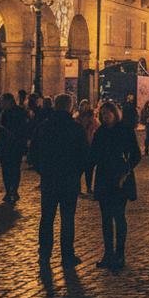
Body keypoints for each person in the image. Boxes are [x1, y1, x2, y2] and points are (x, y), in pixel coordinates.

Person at [28, 94, 90, 268]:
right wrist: (77, 172)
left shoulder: (44, 127)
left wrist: (44, 171)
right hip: (69, 180)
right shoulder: (76, 128)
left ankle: (45, 253)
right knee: (67, 219)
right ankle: (67, 255)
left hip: (49, 179)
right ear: (70, 107)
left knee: (47, 218)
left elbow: (32, 154)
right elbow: (85, 155)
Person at [91, 101, 142, 272]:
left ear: (115, 113)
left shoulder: (125, 130)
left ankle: (120, 253)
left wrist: (126, 170)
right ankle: (108, 253)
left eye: (108, 113)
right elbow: (94, 155)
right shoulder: (100, 132)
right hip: (104, 177)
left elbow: (136, 155)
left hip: (121, 177)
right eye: (103, 114)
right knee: (106, 218)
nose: (106, 116)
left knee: (119, 216)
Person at [0, 92, 29, 205]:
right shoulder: (3, 113)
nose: (0, 103)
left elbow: (23, 129)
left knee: (13, 168)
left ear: (8, 101)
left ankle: (13, 190)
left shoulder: (17, 112)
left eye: (2, 101)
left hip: (14, 145)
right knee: (8, 169)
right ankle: (9, 190)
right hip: (7, 145)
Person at [76, 101, 100, 194]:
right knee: (79, 169)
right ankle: (79, 188)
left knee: (89, 168)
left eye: (85, 106)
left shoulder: (92, 118)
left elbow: (97, 128)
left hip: (89, 145)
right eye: (82, 105)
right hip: (80, 146)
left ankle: (89, 187)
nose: (83, 107)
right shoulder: (78, 118)